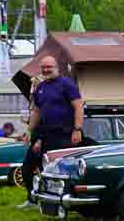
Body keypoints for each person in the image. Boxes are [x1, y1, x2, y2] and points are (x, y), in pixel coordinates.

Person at [21, 55, 85, 200]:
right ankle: (33, 199)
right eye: (43, 67)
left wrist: (77, 129)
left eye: (49, 67)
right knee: (29, 168)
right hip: (45, 135)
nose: (46, 70)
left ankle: (63, 199)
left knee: (60, 170)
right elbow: (37, 111)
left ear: (57, 68)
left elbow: (78, 106)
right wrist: (29, 131)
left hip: (64, 135)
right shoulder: (40, 87)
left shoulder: (66, 84)